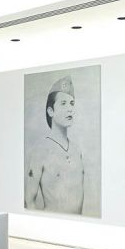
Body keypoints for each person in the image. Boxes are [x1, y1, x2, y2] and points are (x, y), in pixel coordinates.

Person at [25, 75, 84, 214]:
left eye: (72, 103)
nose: (70, 109)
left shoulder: (77, 151)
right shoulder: (40, 152)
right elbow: (29, 201)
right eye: (63, 103)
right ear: (50, 111)